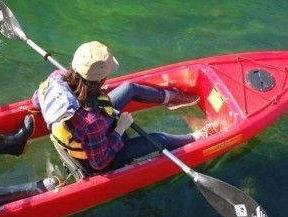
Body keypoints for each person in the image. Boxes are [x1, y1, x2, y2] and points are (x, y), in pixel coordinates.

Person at [33, 41, 220, 173]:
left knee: (130, 88)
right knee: (158, 139)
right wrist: (120, 129)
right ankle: (199, 136)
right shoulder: (92, 122)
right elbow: (99, 162)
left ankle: (171, 98)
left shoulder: (56, 77)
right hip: (94, 158)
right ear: (100, 79)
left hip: (86, 123)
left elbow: (37, 100)